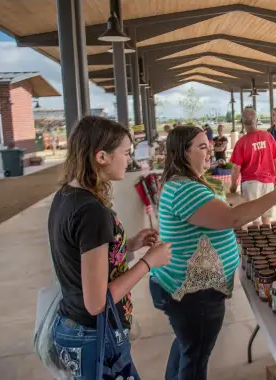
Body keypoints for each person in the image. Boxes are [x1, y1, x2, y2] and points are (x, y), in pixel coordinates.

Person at [150, 126, 276, 379]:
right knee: (195, 356)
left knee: (187, 345)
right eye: (201, 147)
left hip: (189, 287)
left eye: (208, 144)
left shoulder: (188, 182)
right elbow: (231, 218)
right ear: (182, 153)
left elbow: (229, 206)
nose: (209, 150)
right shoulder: (185, 188)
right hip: (193, 292)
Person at [48, 116, 172, 380]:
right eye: (126, 153)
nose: (130, 160)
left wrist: (128, 246)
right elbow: (96, 303)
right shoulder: (92, 211)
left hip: (75, 327)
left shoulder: (67, 195)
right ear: (101, 156)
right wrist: (148, 262)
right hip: (93, 334)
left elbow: (82, 259)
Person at [230, 108, 276, 226]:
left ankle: (257, 243)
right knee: (266, 219)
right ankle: (266, 241)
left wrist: (233, 186)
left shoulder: (241, 142)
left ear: (242, 122)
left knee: (255, 220)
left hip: (250, 184)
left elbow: (235, 168)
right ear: (257, 120)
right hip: (268, 182)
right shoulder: (268, 136)